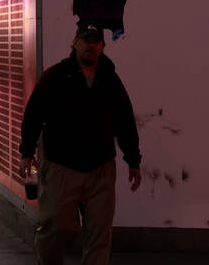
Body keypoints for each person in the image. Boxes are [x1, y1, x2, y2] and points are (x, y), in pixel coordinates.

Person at [19, 23, 141, 265]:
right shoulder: (56, 76)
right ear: (74, 44)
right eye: (86, 40)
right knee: (55, 225)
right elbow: (34, 113)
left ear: (103, 47)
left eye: (96, 41)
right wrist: (26, 151)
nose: (90, 46)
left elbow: (125, 120)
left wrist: (133, 160)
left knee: (99, 233)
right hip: (61, 167)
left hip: (101, 170)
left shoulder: (110, 80)